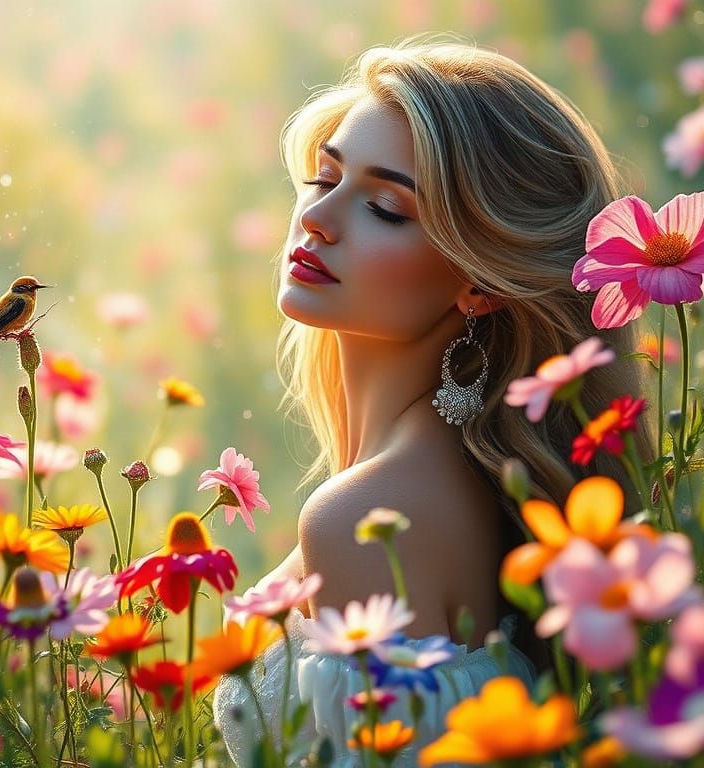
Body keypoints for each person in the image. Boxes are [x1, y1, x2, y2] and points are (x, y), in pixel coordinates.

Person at [212, 37, 644, 766]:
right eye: (324, 177)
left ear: (480, 282)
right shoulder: (448, 479)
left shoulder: (371, 518)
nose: (318, 217)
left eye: (386, 207)